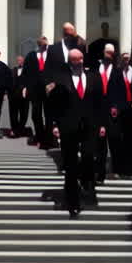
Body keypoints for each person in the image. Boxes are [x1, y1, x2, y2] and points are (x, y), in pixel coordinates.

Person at [47, 49, 105, 216]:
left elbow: (100, 102)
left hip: (90, 127)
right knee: (70, 164)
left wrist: (102, 124)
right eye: (74, 60)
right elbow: (54, 104)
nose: (78, 62)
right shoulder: (61, 79)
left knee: (88, 158)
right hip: (68, 127)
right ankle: (72, 201)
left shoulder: (94, 77)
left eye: (80, 59)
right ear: (69, 61)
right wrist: (55, 125)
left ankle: (88, 190)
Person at [22, 35, 50, 148]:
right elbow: (25, 73)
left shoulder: (51, 55)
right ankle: (40, 136)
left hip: (48, 90)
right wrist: (25, 87)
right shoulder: (31, 56)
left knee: (49, 115)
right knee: (36, 114)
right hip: (35, 90)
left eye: (46, 45)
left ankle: (47, 139)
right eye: (43, 45)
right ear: (38, 45)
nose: (45, 47)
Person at [95, 43, 118, 181]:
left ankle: (114, 169)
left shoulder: (117, 71)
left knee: (114, 142)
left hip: (112, 112)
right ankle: (100, 172)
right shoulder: (96, 69)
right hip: (98, 109)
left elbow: (120, 92)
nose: (108, 54)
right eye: (107, 52)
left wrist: (116, 106)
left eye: (111, 52)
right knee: (100, 144)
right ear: (103, 52)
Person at [9, 55, 30, 137]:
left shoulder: (28, 71)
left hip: (24, 96)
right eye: (18, 60)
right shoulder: (13, 70)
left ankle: (21, 129)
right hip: (13, 96)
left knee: (24, 113)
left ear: (24, 61)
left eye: (21, 60)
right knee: (13, 114)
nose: (19, 62)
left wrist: (27, 89)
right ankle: (14, 130)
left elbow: (30, 82)